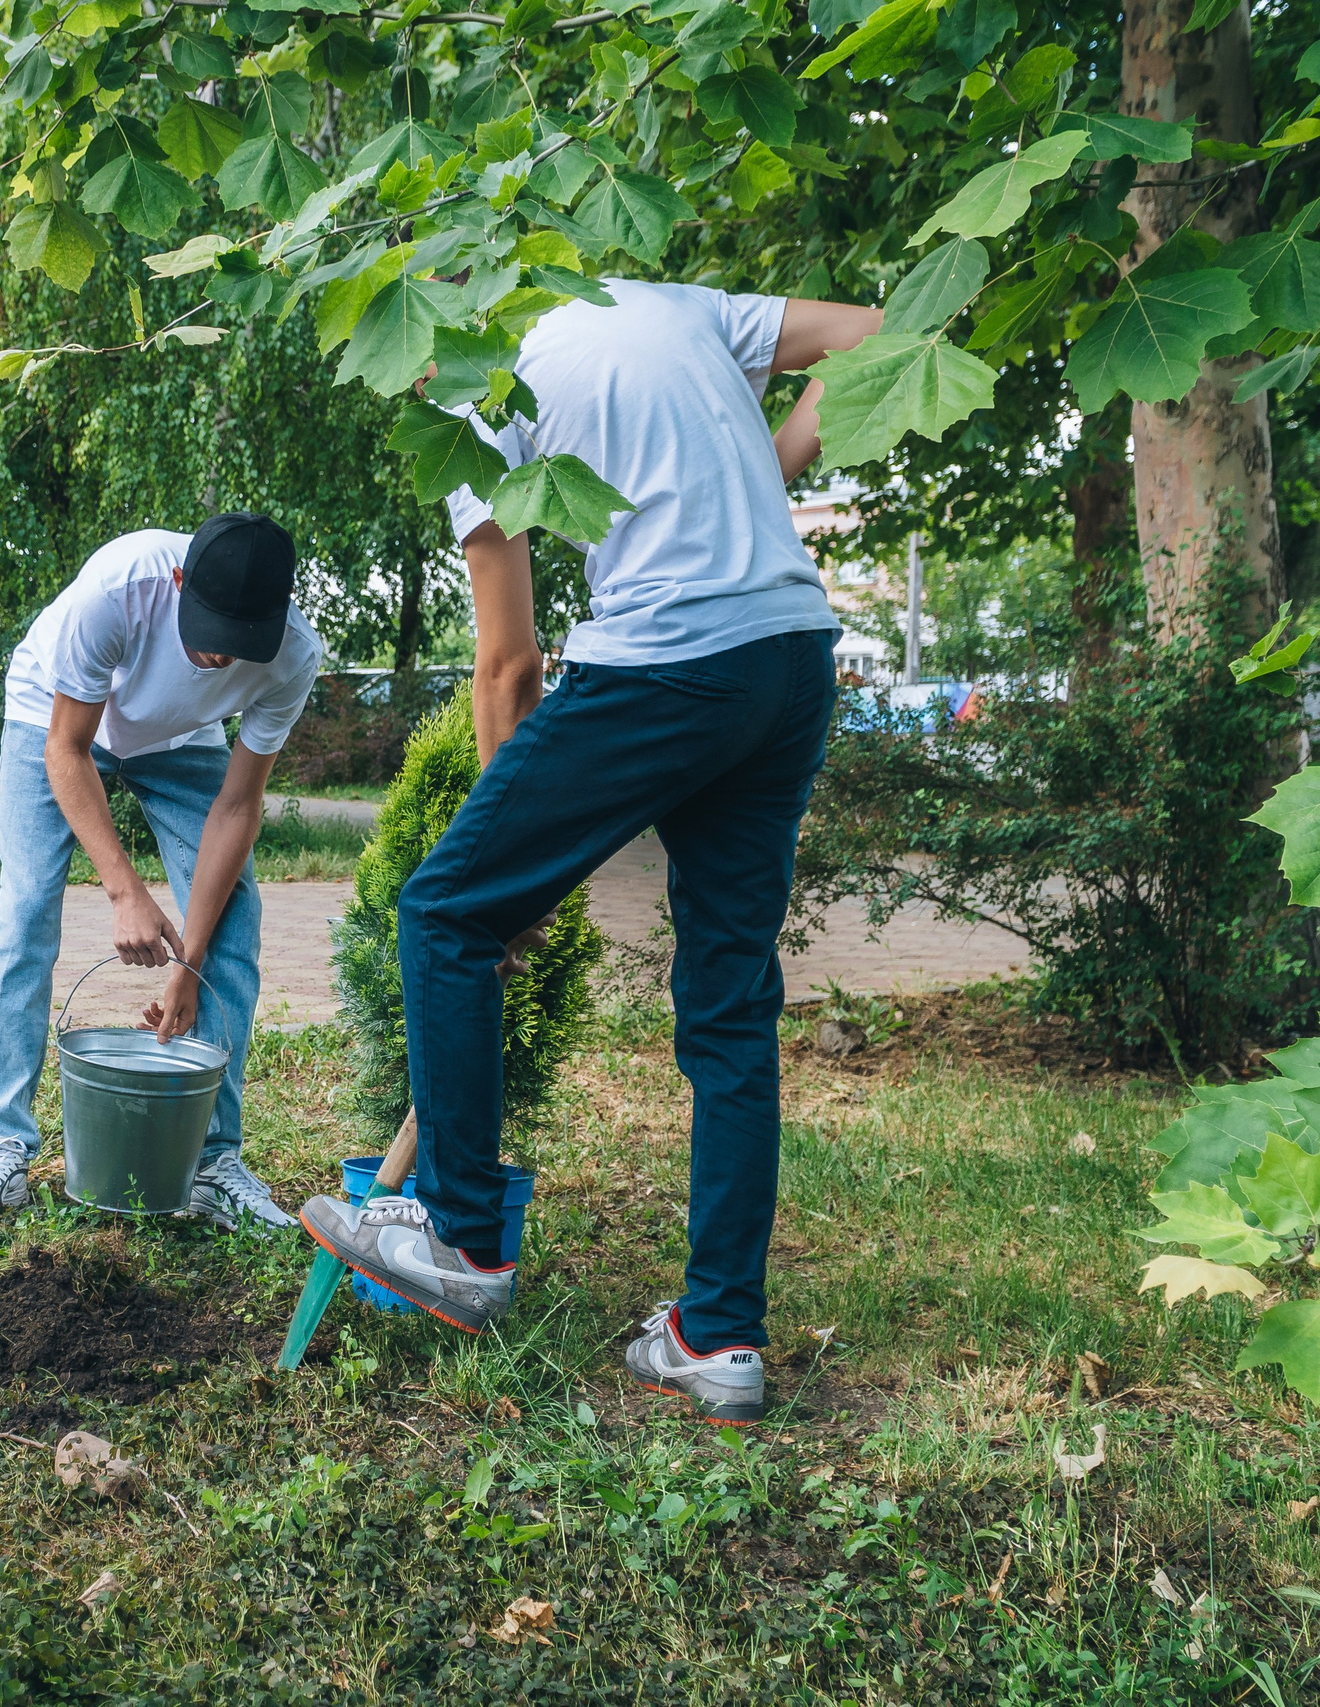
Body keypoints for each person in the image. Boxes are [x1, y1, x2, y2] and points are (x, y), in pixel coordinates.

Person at [298, 281, 882, 1424]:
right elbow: (874, 335)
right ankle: (716, 1337)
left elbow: (507, 667)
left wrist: (506, 881)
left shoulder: (468, 391)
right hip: (788, 658)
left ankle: (460, 1241)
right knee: (728, 1003)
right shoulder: (658, 299)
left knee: (441, 912)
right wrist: (761, 474)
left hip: (665, 656)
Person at [0, 514, 324, 1231]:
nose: (218, 657)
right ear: (181, 582)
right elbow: (68, 747)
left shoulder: (293, 655)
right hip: (50, 716)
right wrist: (125, 891)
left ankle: (212, 1163)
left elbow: (237, 806)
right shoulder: (123, 586)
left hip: (178, 739)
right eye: (207, 631)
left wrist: (191, 963)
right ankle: (2, 1142)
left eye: (239, 643)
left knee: (234, 916)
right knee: (27, 908)